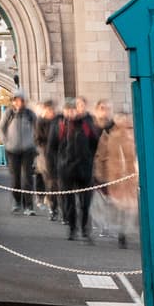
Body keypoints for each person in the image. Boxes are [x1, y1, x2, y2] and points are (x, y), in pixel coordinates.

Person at [56, 97, 101, 241]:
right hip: (66, 168)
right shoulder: (62, 125)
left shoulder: (88, 124)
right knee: (69, 201)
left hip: (84, 167)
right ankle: (72, 228)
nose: (72, 112)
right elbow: (53, 146)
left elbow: (95, 143)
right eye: (69, 109)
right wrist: (59, 164)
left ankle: (84, 229)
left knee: (85, 201)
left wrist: (89, 160)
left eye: (74, 109)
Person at [93, 101, 137, 248]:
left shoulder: (132, 134)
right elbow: (101, 155)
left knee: (128, 207)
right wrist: (100, 174)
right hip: (114, 176)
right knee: (116, 206)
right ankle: (119, 231)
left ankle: (123, 232)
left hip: (129, 177)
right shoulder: (109, 134)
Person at [0, 94, 38, 214]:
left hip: (28, 150)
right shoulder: (9, 113)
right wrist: (6, 141)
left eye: (21, 100)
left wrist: (34, 142)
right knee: (15, 178)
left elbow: (37, 129)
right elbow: (1, 129)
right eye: (16, 101)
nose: (19, 103)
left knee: (28, 179)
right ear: (13, 102)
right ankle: (17, 202)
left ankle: (29, 206)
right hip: (12, 151)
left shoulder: (30, 114)